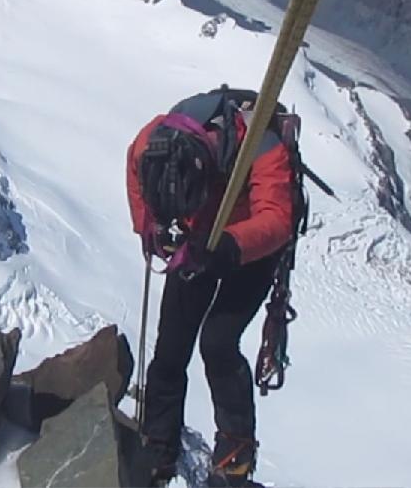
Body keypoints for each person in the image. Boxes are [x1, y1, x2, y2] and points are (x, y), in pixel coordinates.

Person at [126, 86, 297, 488]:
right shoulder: (154, 143)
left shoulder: (261, 146)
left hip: (251, 250)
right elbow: (135, 173)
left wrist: (229, 247)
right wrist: (151, 229)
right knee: (171, 347)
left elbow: (277, 219)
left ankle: (234, 457)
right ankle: (157, 448)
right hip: (195, 238)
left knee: (218, 343)